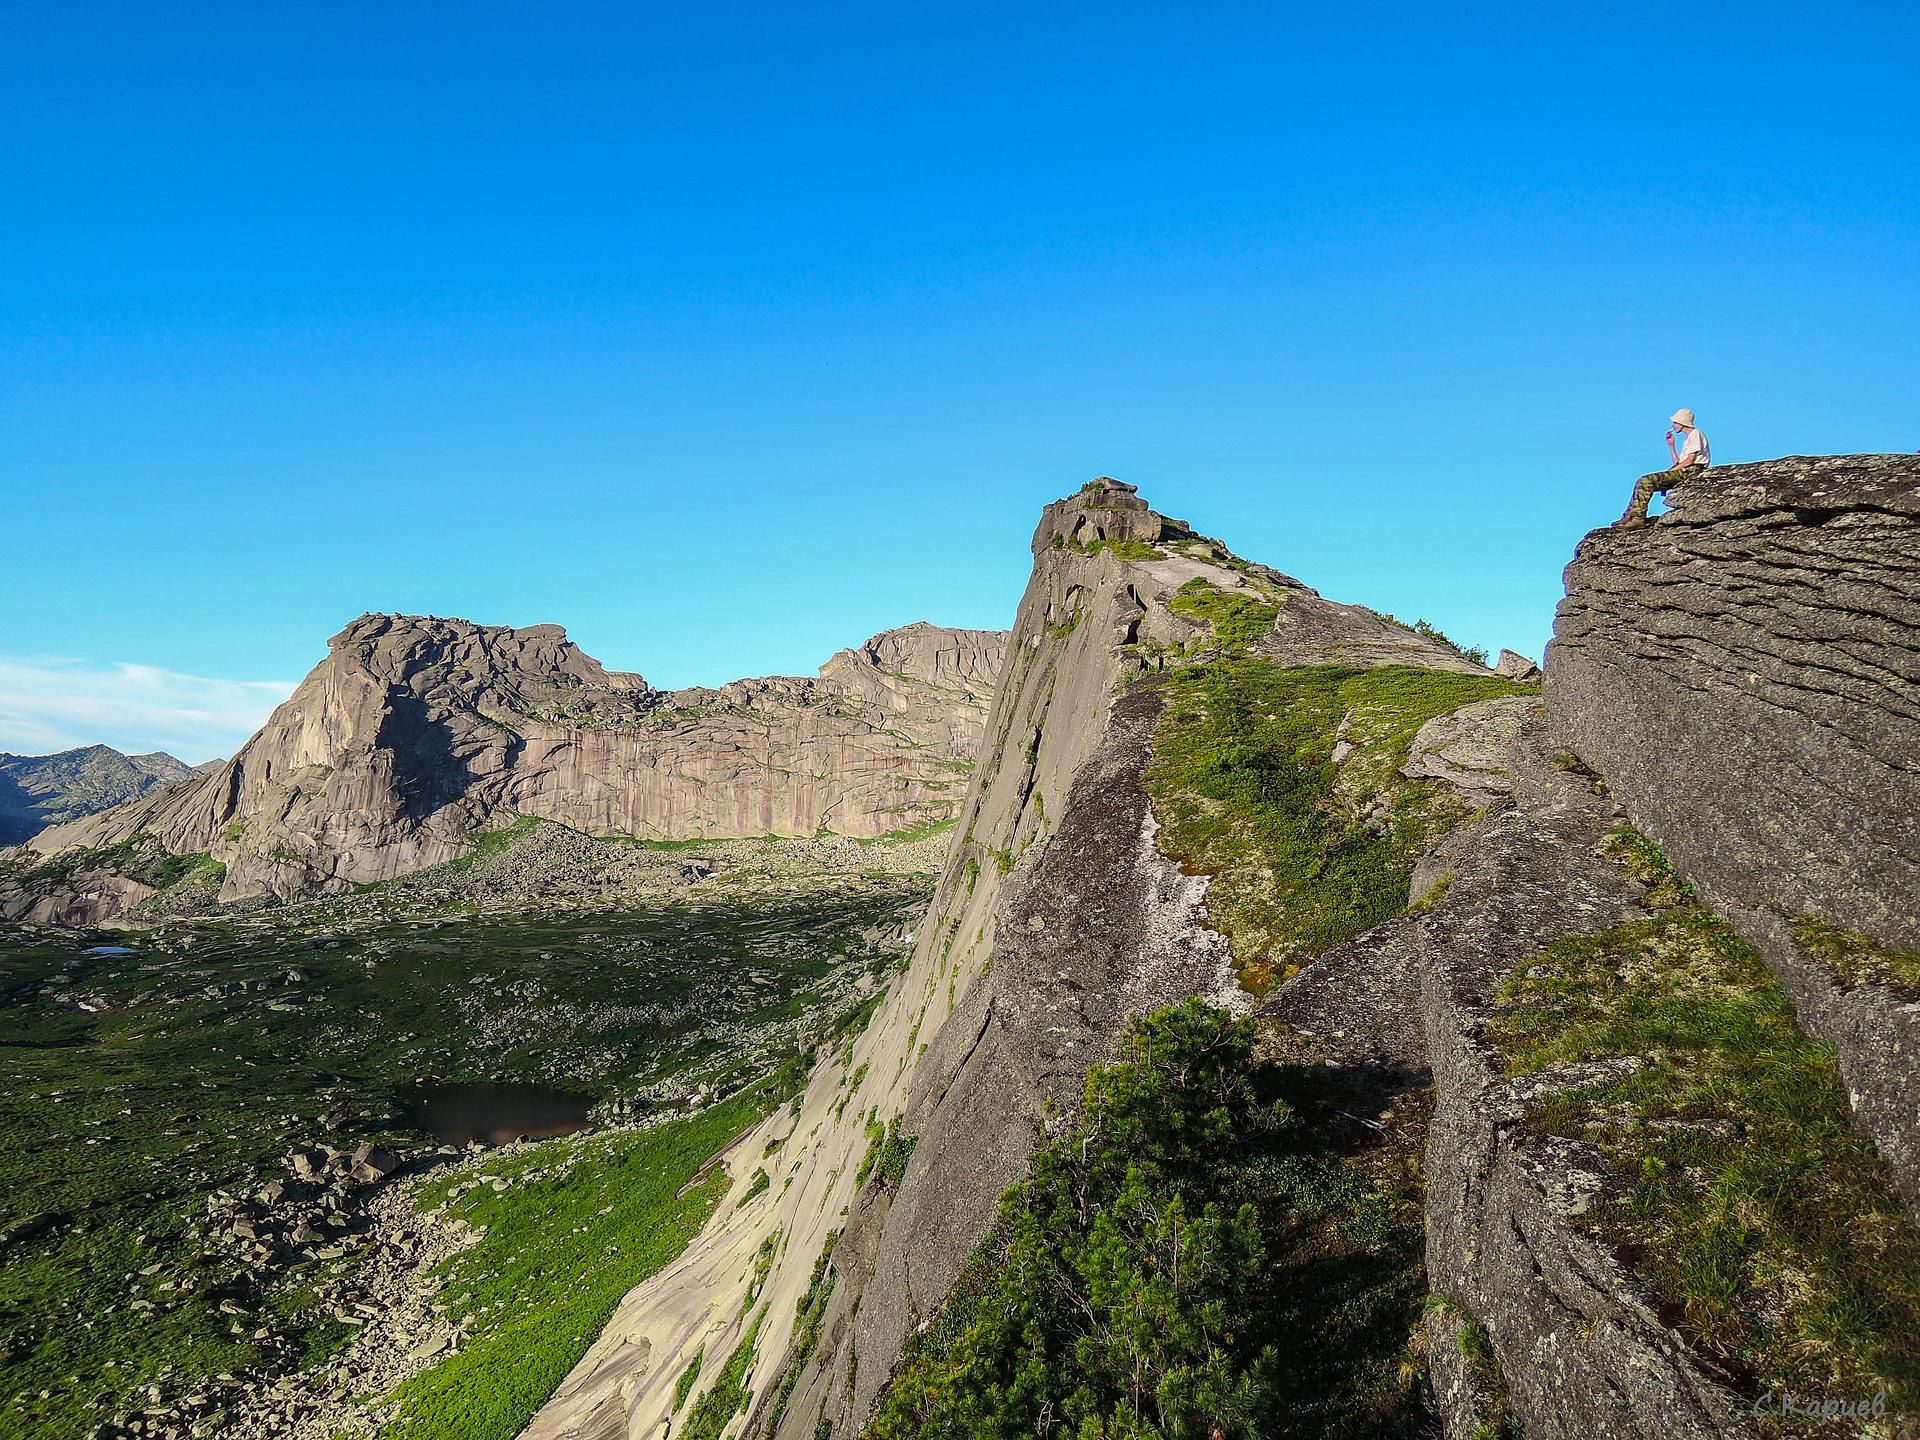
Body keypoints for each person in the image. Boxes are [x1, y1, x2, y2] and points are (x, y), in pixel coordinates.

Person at [1616, 408, 1710, 528]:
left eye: (1675, 422)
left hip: (1692, 471)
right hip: (1685, 469)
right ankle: (1628, 516)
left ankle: (1637, 518)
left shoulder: (1695, 434)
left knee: (1646, 480)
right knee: (1641, 481)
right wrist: (1671, 445)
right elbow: (1679, 462)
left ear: (1682, 422)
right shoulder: (1689, 438)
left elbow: (1690, 461)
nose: (1673, 425)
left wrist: (1671, 471)